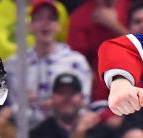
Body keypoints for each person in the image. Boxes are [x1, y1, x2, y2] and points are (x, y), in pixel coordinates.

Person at [5, 0, 92, 129]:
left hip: (66, 129)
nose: (45, 24)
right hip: (26, 132)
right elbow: (10, 108)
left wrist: (60, 104)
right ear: (30, 26)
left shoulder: (76, 61)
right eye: (39, 18)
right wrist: (24, 103)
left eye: (51, 19)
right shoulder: (14, 63)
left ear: (59, 26)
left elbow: (84, 104)